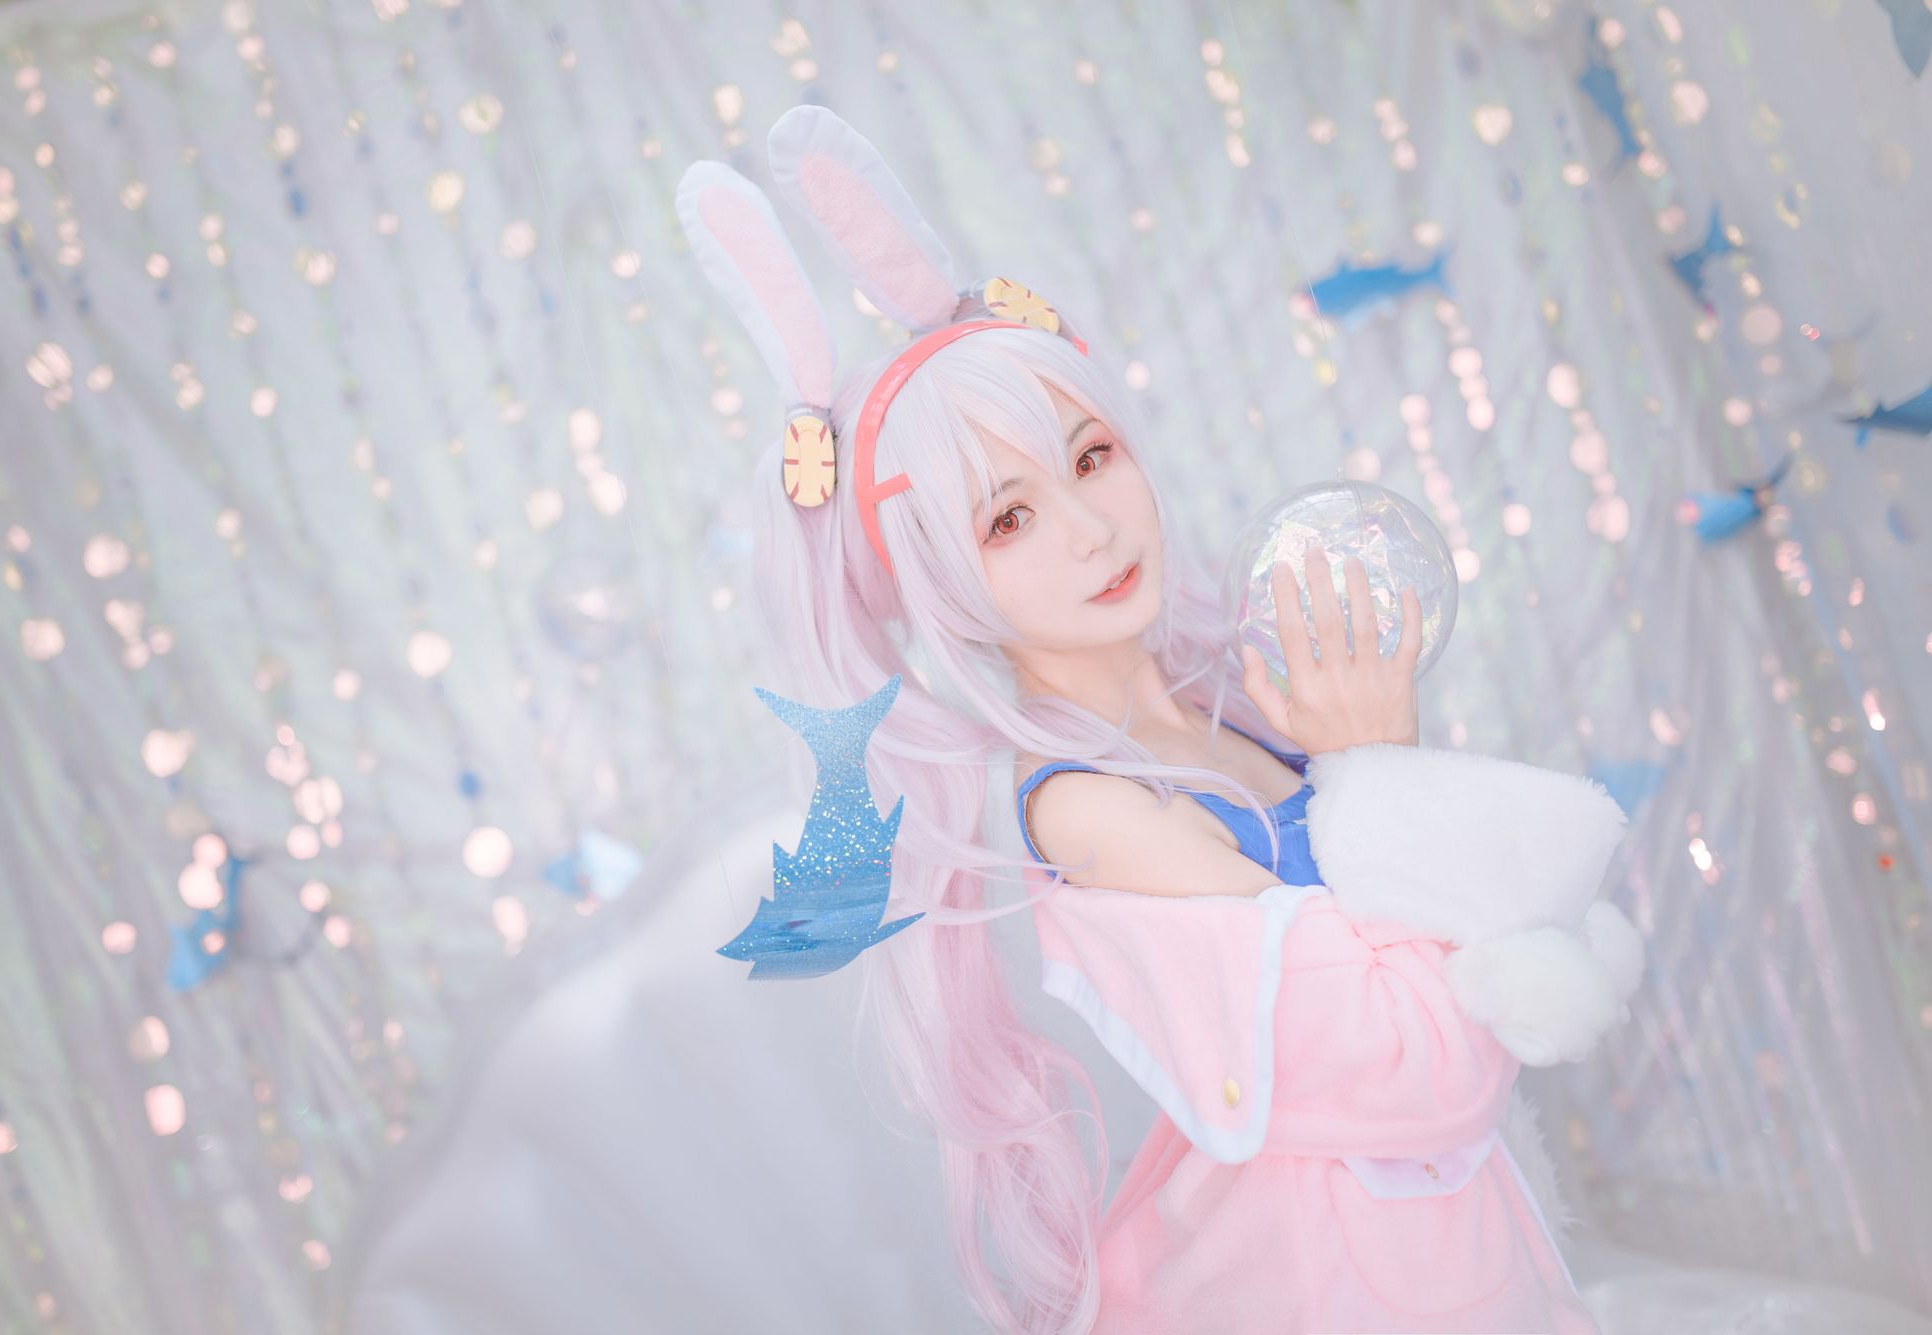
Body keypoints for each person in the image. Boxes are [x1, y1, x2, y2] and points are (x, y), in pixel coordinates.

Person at [677, 104, 1645, 1334]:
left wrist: (1373, 772)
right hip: (1333, 1287)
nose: (1090, 529)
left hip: (1443, 1244)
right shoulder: (1088, 809)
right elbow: (1420, 1068)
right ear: (937, 586)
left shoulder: (1227, 707)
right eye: (1007, 519)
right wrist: (1374, 764)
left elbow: (1504, 948)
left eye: (1089, 458)